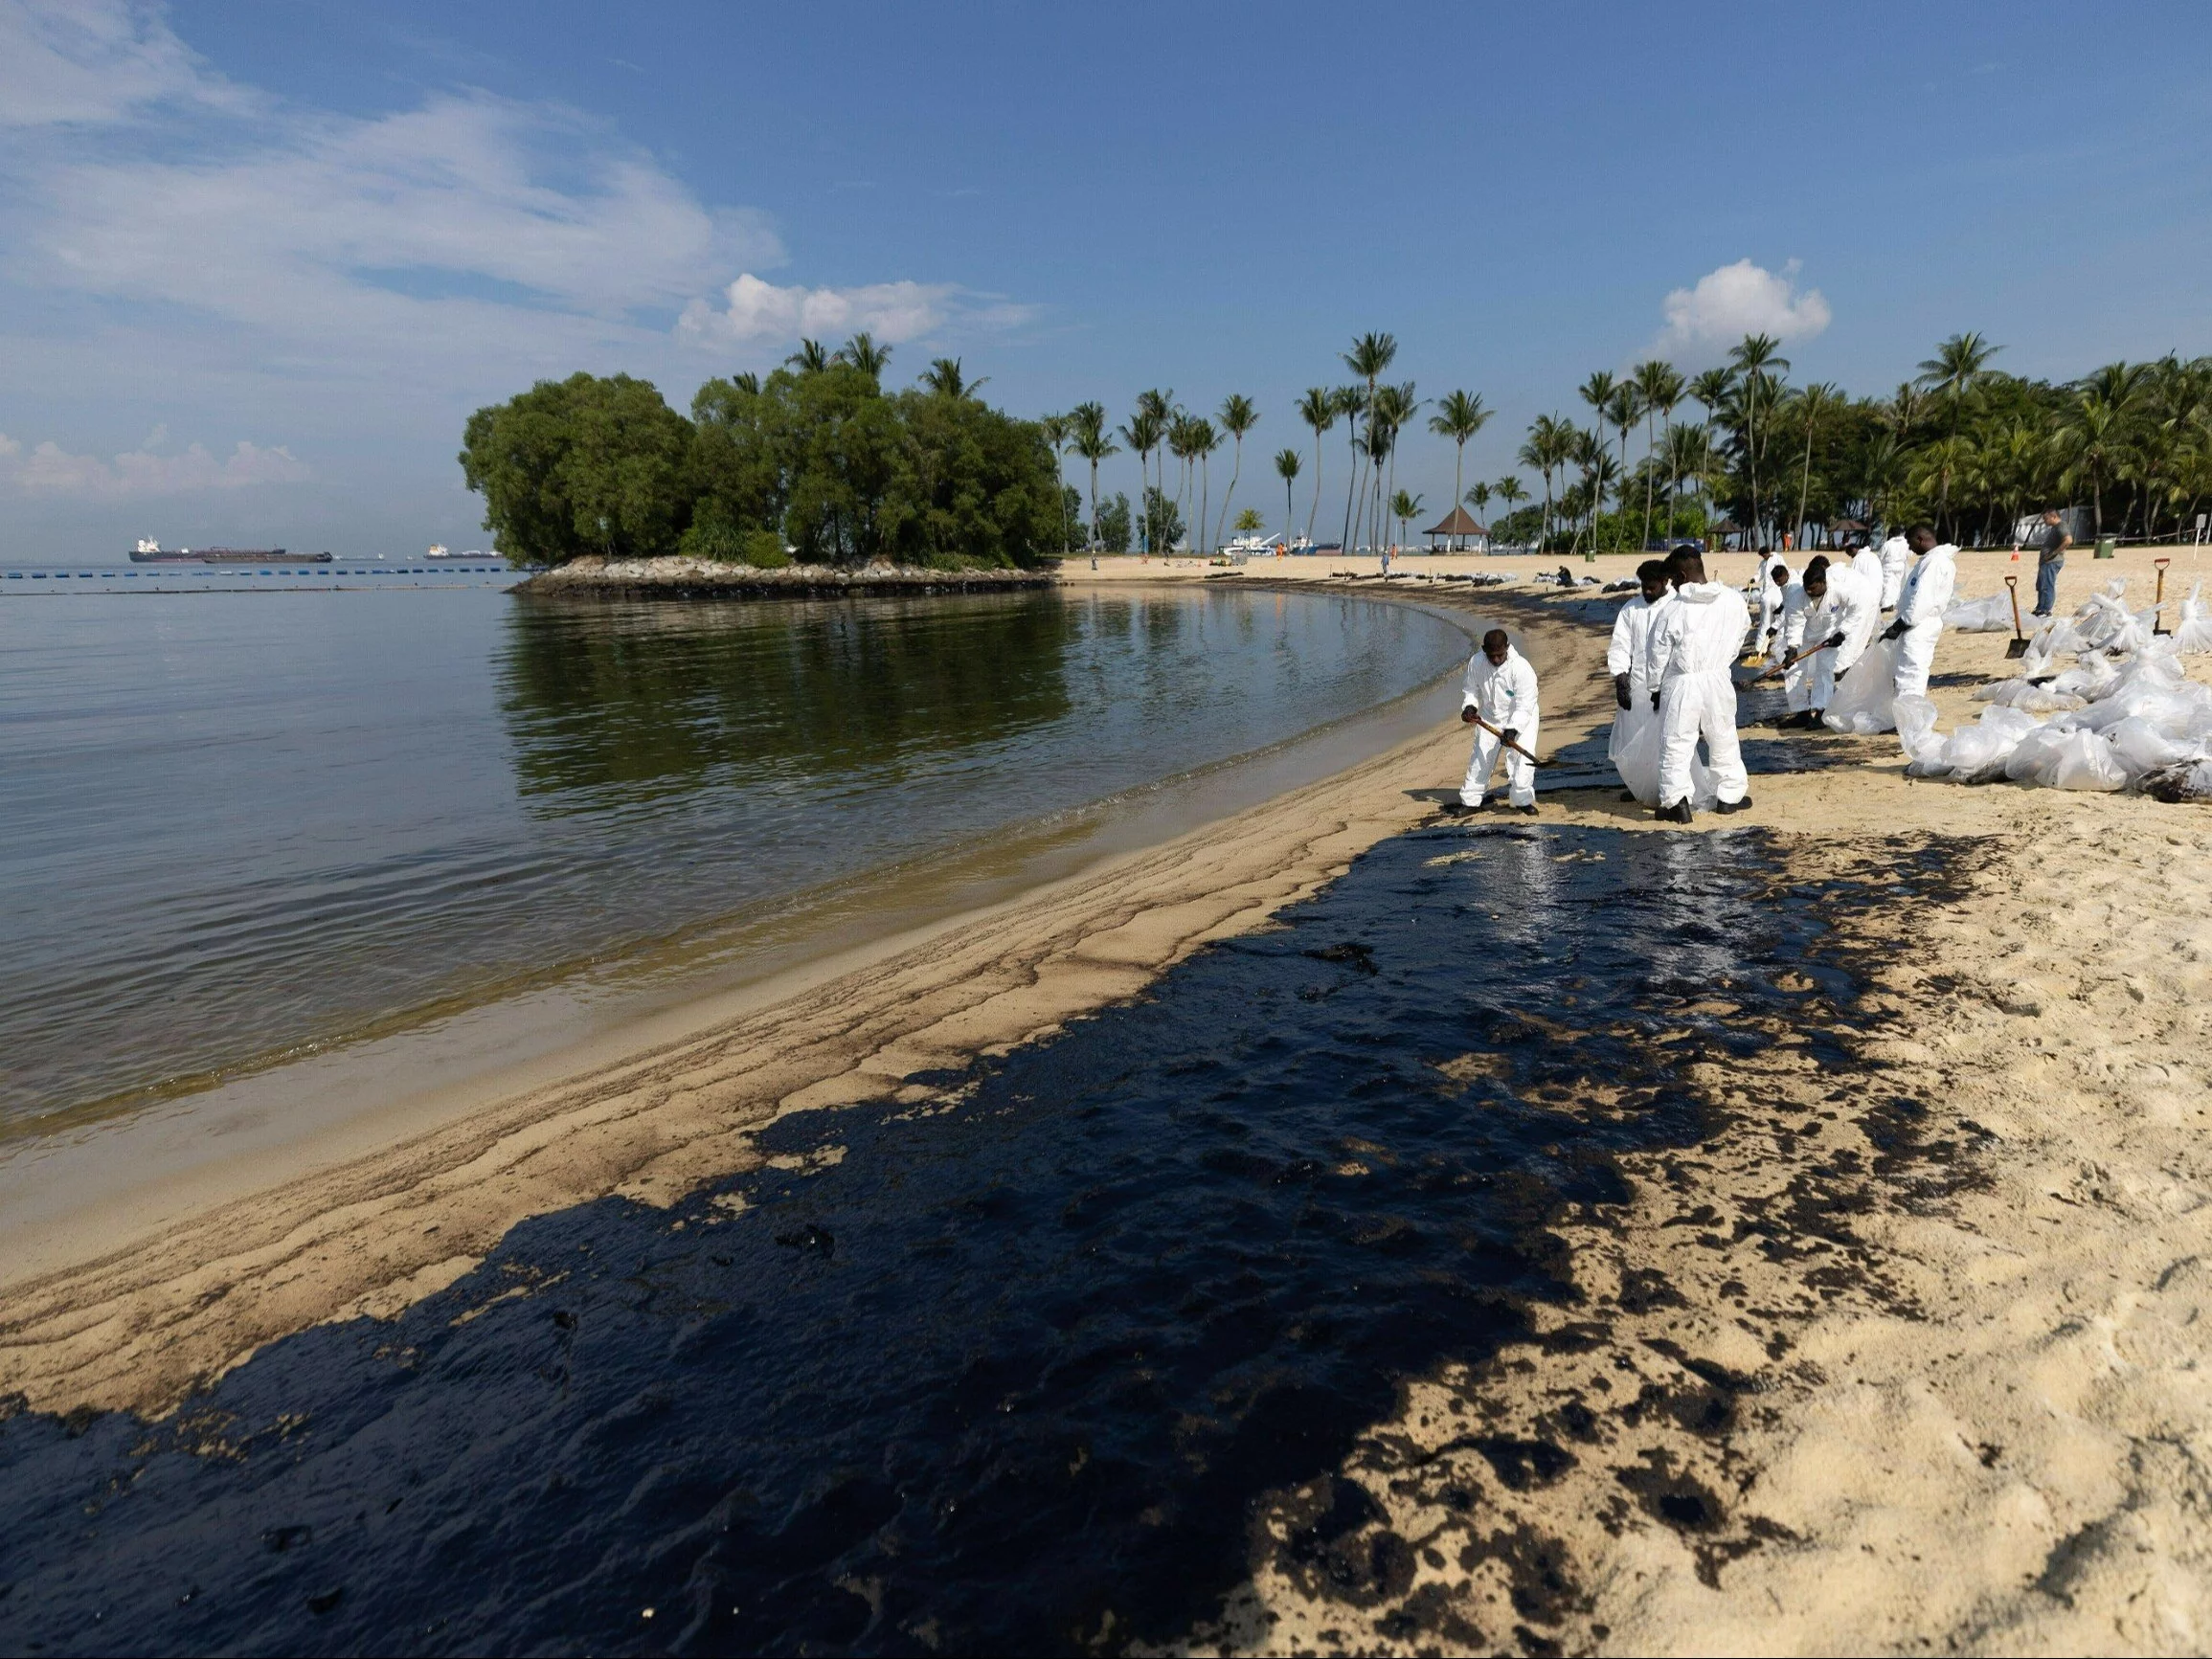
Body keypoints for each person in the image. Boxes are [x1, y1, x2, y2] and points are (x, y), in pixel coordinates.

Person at [1647, 548, 1751, 822]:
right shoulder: (1733, 600)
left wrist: (1654, 687)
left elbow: (1657, 654)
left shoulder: (1673, 609)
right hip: (1717, 678)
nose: (1673, 587)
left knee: (1676, 743)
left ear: (1682, 575)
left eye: (1674, 581)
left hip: (1683, 683)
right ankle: (1728, 798)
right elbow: (1742, 631)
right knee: (1723, 736)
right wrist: (1722, 663)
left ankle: (1677, 804)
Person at [1782, 553, 1879, 720]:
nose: (1809, 592)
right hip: (1805, 635)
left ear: (1823, 582)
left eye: (1813, 588)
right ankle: (1801, 713)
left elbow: (1857, 609)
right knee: (1793, 669)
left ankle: (1821, 711)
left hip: (1829, 634)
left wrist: (1842, 632)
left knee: (1824, 670)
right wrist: (1792, 646)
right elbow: (1795, 623)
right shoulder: (1797, 596)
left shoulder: (1839, 591)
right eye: (1807, 588)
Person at [1607, 559, 1673, 800]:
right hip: (1637, 684)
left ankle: (1666, 788)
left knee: (1665, 738)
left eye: (1651, 587)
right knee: (1633, 735)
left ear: (1665, 582)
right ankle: (1640, 786)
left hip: (1668, 683)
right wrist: (1621, 680)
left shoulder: (1676, 605)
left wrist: (1663, 686)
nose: (1646, 591)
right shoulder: (1630, 609)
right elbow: (1620, 646)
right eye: (1643, 586)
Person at [1456, 627, 1540, 814]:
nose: (1495, 660)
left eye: (1499, 655)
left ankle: (1522, 800)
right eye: (1491, 655)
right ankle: (1471, 801)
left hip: (1522, 718)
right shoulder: (1476, 662)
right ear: (1484, 650)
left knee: (1521, 761)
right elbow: (1471, 689)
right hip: (1489, 716)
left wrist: (1513, 729)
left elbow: (1525, 703)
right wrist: (1469, 707)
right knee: (1480, 759)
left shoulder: (1521, 668)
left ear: (1507, 648)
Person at [1885, 523, 1958, 699]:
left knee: (1911, 673)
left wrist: (1903, 622)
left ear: (1920, 539)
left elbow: (1923, 598)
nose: (1909, 548)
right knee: (1905, 671)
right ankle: (1902, 716)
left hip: (1920, 624)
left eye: (1910, 543)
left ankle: (1908, 718)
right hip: (1917, 623)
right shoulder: (1931, 560)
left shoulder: (1935, 563)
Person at [1750, 549, 1787, 661]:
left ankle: (1778, 649)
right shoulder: (1763, 563)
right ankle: (1760, 648)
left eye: (1764, 555)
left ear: (1768, 552)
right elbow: (1759, 574)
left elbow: (1785, 571)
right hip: (1766, 595)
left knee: (1778, 624)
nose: (1764, 557)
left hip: (1777, 594)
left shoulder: (1778, 559)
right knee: (1765, 623)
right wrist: (1754, 579)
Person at [2034, 508, 2071, 617]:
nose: (2044, 521)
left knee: (2047, 585)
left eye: (2046, 518)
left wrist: (2053, 554)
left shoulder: (2061, 526)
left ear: (2054, 517)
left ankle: (2046, 610)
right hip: (2047, 562)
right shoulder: (2055, 528)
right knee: (2042, 585)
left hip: (2052, 562)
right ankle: (2040, 609)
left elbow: (2068, 540)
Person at [1877, 527, 1912, 611]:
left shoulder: (1888, 544)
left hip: (1889, 567)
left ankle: (1886, 605)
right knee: (1897, 585)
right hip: (1901, 566)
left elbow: (1880, 556)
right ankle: (1894, 603)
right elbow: (1909, 554)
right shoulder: (1905, 543)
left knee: (1887, 585)